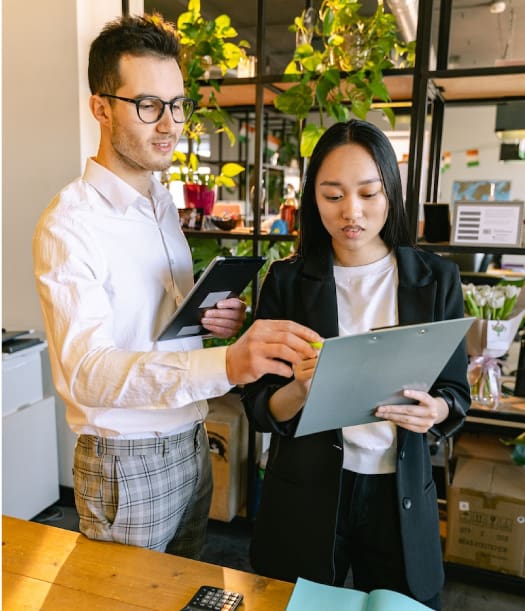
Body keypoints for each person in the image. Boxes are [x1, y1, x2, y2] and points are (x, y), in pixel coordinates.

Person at [32, 13, 321, 560]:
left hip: (190, 438)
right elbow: (88, 373)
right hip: (126, 458)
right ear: (100, 107)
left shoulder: (160, 203)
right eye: (148, 105)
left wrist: (211, 321)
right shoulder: (69, 223)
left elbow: (157, 326)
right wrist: (227, 365)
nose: (169, 123)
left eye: (177, 104)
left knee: (181, 590)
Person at [241, 119, 470, 610]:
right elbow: (259, 409)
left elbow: (455, 394)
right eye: (333, 195)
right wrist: (301, 390)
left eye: (369, 193)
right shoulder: (286, 282)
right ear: (312, 198)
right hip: (307, 491)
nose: (352, 212)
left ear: (390, 191)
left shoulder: (436, 278)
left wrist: (435, 411)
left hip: (399, 494)